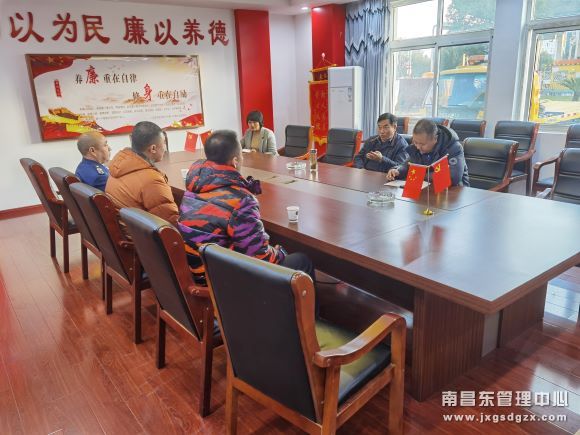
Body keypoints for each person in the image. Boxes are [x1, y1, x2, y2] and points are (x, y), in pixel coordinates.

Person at [178, 130, 314, 283]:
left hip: (198, 270)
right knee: (301, 261)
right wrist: (281, 252)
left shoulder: (193, 185)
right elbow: (261, 257)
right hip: (221, 281)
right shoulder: (240, 200)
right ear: (235, 161)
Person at [106, 121, 179, 225]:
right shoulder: (152, 180)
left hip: (128, 228)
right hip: (140, 234)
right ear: (153, 148)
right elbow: (170, 222)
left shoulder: (118, 165)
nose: (165, 148)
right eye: (164, 143)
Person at [386, 118, 469, 186]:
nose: (418, 147)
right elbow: (407, 164)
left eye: (422, 144)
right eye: (415, 142)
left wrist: (419, 175)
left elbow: (453, 177)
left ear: (435, 138)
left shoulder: (453, 148)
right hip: (428, 190)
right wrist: (397, 170)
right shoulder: (417, 145)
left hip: (455, 192)